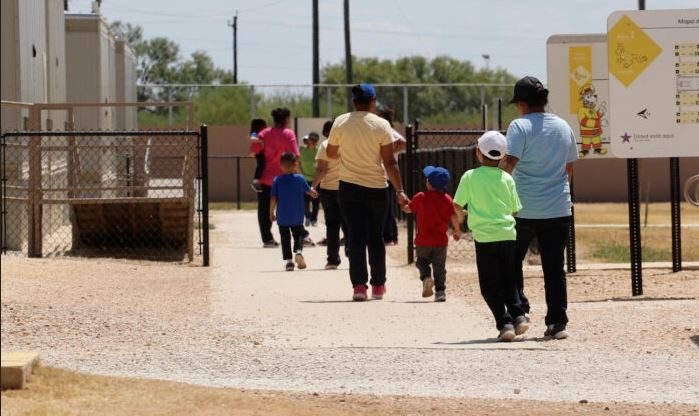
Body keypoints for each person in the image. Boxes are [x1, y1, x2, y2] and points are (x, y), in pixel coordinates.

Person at [500, 76, 578, 340]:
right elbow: (569, 169)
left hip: (522, 208)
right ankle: (557, 322)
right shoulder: (563, 126)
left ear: (521, 103)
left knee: (512, 262)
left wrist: (499, 195)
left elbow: (509, 163)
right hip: (558, 208)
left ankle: (519, 311)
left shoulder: (519, 126)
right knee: (554, 268)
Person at [326, 83, 408, 301]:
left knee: (355, 236)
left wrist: (347, 152)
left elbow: (331, 153)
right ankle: (378, 286)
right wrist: (399, 190)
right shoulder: (381, 125)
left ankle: (359, 287)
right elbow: (390, 162)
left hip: (348, 187)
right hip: (376, 188)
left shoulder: (340, 122)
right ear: (373, 101)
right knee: (375, 236)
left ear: (354, 102)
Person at [454, 131, 529, 342]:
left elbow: (457, 204)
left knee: (489, 284)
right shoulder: (507, 178)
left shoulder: (469, 176)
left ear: (478, 153)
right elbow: (515, 208)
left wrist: (465, 216)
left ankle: (504, 323)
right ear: (503, 157)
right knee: (509, 279)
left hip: (485, 238)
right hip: (507, 235)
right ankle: (519, 315)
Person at [402, 166, 460, 302]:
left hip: (423, 241)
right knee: (439, 267)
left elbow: (408, 209)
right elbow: (454, 217)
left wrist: (404, 205)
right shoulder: (447, 199)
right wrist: (457, 231)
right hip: (440, 242)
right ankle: (440, 292)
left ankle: (426, 277)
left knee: (421, 262)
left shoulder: (421, 197)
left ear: (428, 183)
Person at [256, 108, 300, 248]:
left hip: (266, 177)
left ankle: (267, 239)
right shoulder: (288, 134)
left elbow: (254, 151)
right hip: (285, 177)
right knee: (290, 205)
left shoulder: (264, 133)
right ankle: (298, 235)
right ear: (286, 119)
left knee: (264, 208)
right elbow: (295, 156)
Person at [270, 152, 319, 271]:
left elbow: (273, 198)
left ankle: (289, 261)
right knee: (298, 235)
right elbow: (309, 191)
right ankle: (298, 252)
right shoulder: (300, 178)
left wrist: (271, 212)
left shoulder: (277, 180)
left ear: (280, 165)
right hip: (297, 215)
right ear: (295, 165)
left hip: (282, 216)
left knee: (285, 238)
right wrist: (313, 193)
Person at [312, 120, 348, 269]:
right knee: (349, 224)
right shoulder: (348, 145)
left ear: (327, 133)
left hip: (329, 190)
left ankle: (333, 259)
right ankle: (353, 254)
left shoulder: (325, 146)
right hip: (347, 188)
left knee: (332, 225)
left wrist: (312, 186)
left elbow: (321, 170)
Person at [376, 106, 405, 245]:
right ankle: (391, 235)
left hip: (387, 175)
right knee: (386, 207)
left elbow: (403, 143)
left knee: (385, 208)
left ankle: (389, 236)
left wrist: (387, 152)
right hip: (384, 174)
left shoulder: (388, 130)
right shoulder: (382, 130)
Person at [300, 132, 320, 227]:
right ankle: (307, 217)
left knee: (315, 200)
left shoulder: (318, 151)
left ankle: (314, 219)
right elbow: (298, 164)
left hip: (316, 179)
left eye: (312, 140)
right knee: (305, 200)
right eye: (309, 139)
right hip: (304, 179)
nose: (309, 141)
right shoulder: (302, 150)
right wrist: (301, 176)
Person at [248, 118, 268, 193]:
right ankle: (256, 180)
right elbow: (252, 138)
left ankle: (257, 180)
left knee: (263, 164)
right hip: (259, 152)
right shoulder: (255, 133)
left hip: (261, 151)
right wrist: (261, 141)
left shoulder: (262, 133)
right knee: (261, 164)